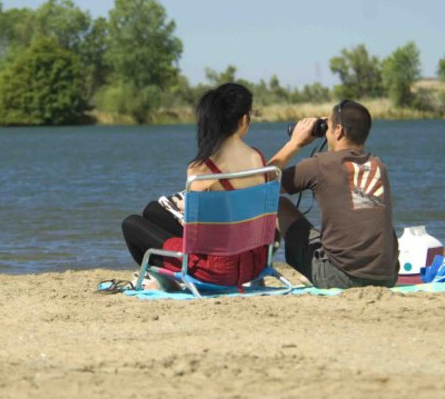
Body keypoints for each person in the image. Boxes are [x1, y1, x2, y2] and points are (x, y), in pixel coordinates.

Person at [121, 83, 271, 288]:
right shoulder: (257, 159)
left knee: (131, 224)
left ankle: (161, 276)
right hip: (254, 262)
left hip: (218, 269)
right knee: (153, 211)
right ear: (244, 120)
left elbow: (196, 232)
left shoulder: (200, 169)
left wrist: (186, 208)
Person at [268, 100, 398, 289]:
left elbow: (263, 183)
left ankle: (257, 273)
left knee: (276, 204)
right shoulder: (378, 166)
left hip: (340, 279)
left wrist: (294, 143)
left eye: (327, 126)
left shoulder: (320, 165)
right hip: (387, 277)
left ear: (338, 130)